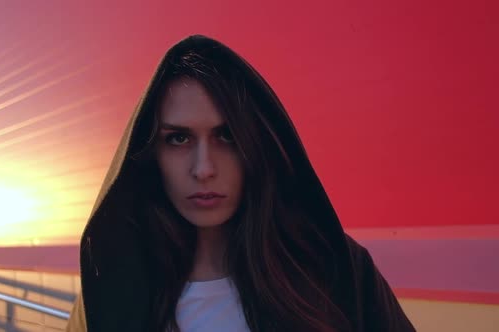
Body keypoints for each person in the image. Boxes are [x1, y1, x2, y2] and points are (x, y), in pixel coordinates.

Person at [65, 34, 416, 332]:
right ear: (150, 153)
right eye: (178, 139)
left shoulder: (334, 266)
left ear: (257, 146)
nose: (203, 169)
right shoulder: (112, 283)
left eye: (227, 136)